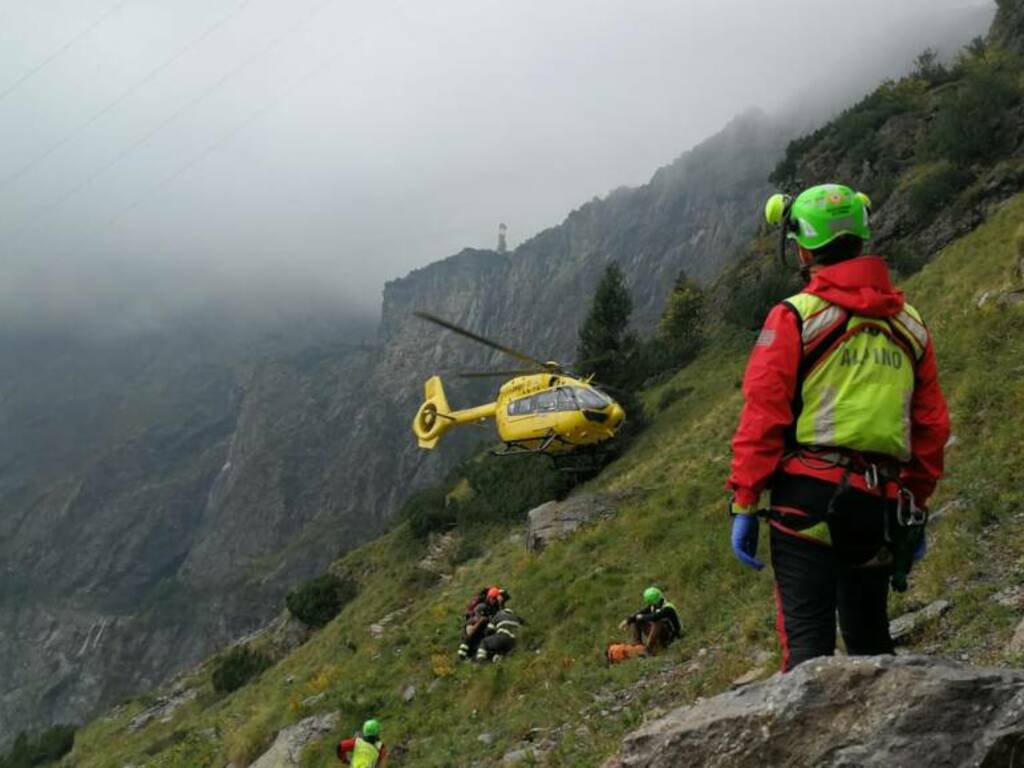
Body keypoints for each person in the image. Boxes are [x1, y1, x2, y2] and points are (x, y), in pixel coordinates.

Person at [727, 183, 950, 672]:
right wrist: (914, 503)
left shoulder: (794, 316)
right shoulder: (910, 325)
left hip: (807, 501)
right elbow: (930, 425)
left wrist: (745, 501)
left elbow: (763, 414)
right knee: (871, 640)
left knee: (808, 652)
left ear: (802, 246)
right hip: (881, 506)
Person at [458, 586, 508, 661]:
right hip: (476, 632)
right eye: (493, 599)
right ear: (490, 598)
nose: (494, 601)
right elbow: (474, 625)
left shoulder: (495, 607)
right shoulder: (481, 607)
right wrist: (483, 620)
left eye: (496, 599)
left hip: (484, 632)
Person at [475, 592, 523, 662]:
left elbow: (488, 631)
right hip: (513, 641)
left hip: (503, 636)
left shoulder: (498, 615)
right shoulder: (517, 617)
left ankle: (480, 663)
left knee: (484, 642)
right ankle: (499, 658)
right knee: (501, 649)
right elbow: (527, 626)